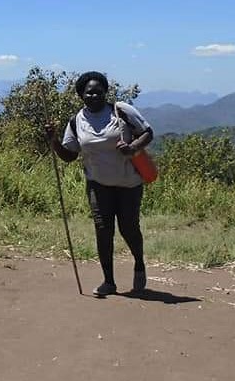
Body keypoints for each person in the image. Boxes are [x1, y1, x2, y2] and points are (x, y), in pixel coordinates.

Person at [45, 71, 154, 297]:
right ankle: (109, 282)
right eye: (89, 92)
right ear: (81, 95)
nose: (93, 95)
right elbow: (69, 155)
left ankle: (139, 264)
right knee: (103, 231)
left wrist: (133, 148)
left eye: (98, 91)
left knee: (129, 228)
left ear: (105, 92)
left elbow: (147, 133)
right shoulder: (77, 121)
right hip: (98, 184)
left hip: (129, 183)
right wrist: (54, 140)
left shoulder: (121, 110)